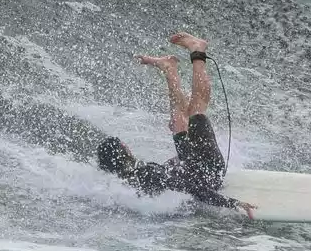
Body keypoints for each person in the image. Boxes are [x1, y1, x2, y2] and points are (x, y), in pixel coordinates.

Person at [96, 32, 256, 219]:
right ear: (125, 148)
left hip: (190, 165)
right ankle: (197, 49)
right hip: (208, 170)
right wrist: (233, 203)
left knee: (179, 120)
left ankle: (169, 68)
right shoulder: (145, 173)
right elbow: (194, 188)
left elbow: (175, 181)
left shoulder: (127, 183)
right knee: (197, 109)